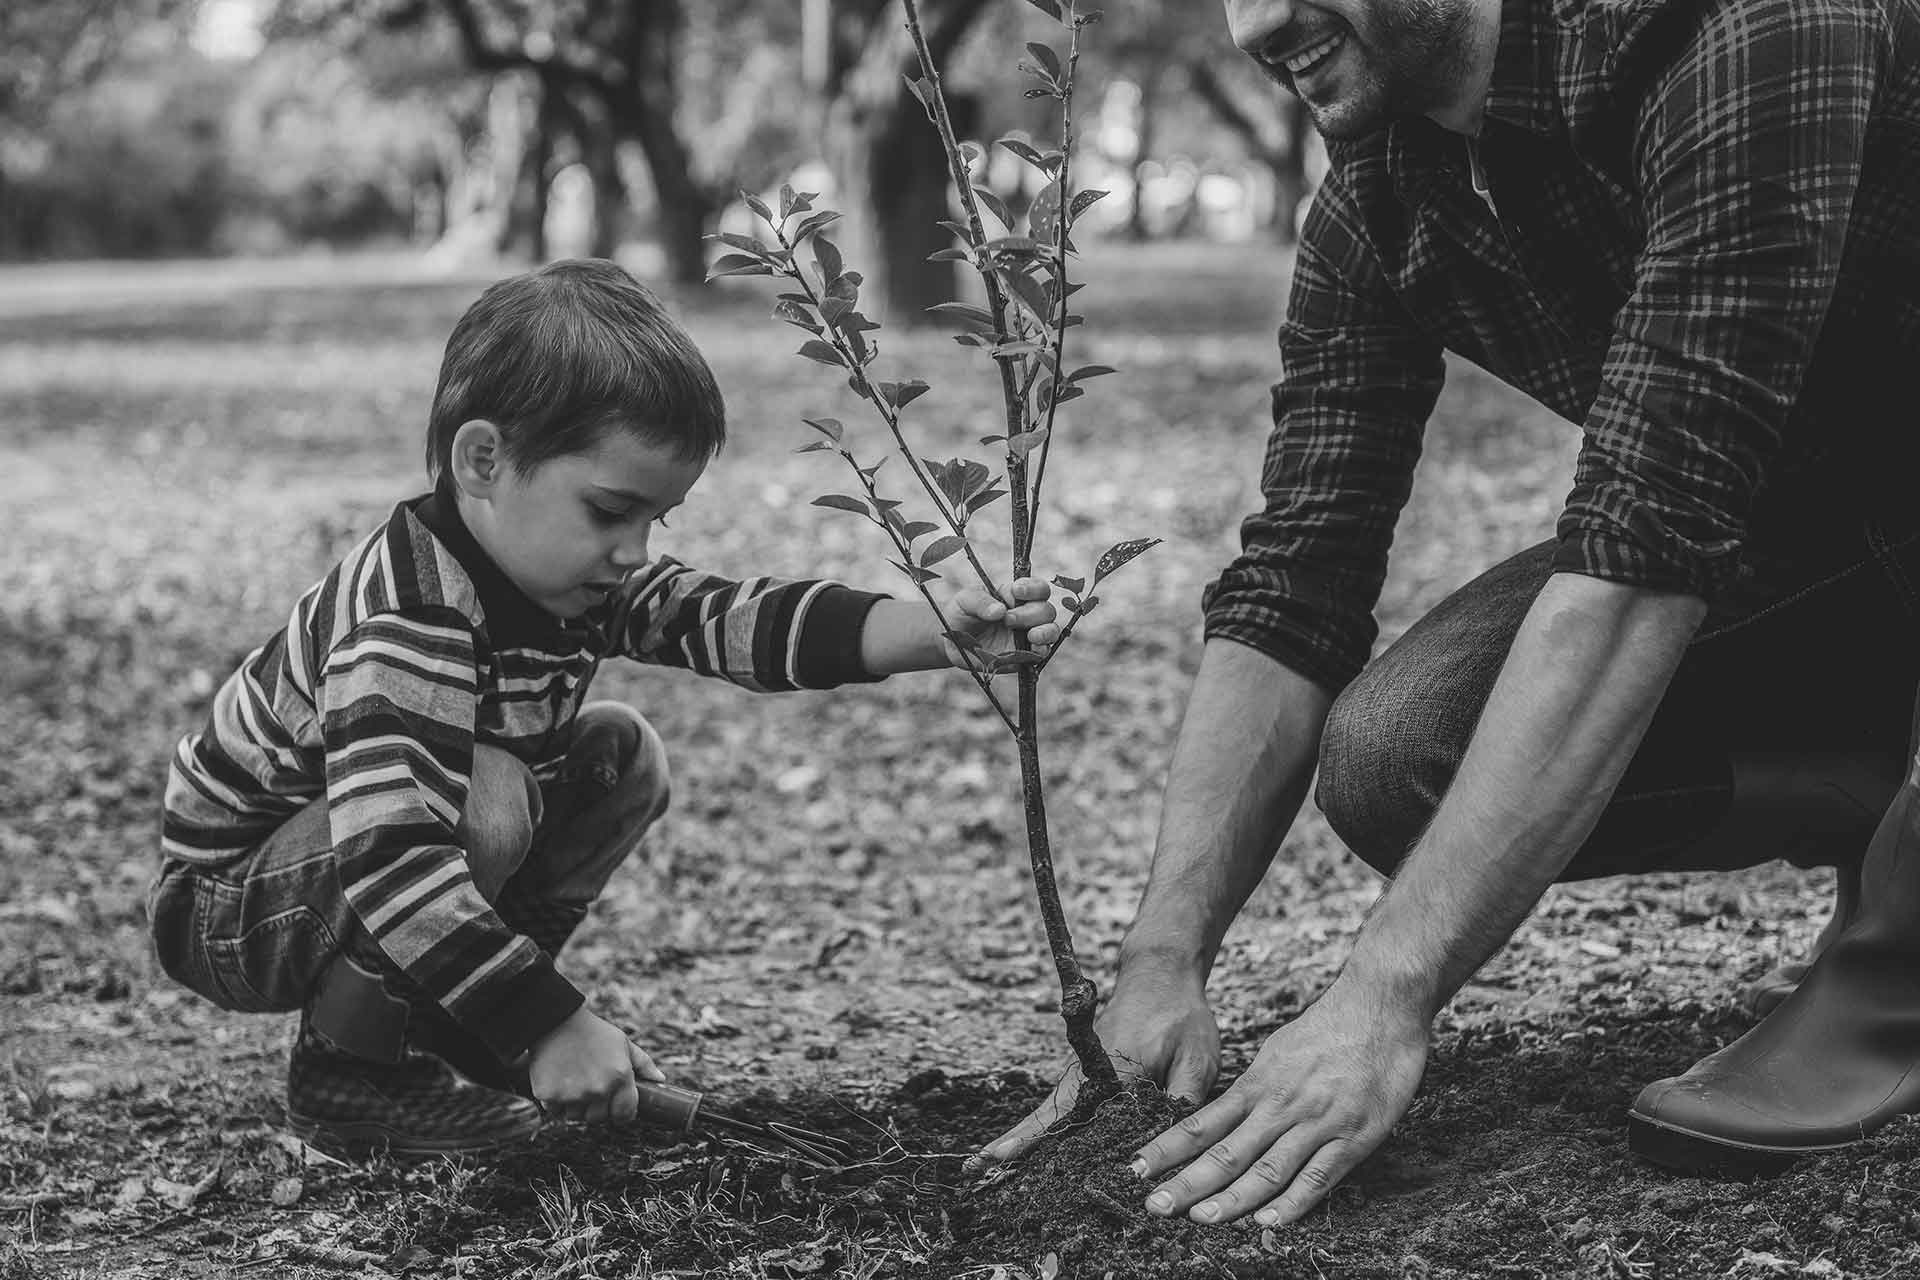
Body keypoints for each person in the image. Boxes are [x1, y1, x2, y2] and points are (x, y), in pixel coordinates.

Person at [973, 0, 1920, 1228]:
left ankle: (1899, 957)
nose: (1255, 22)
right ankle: (1877, 808)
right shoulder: (1386, 194)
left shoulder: (1752, 26)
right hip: (1831, 541)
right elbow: (1296, 578)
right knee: (1399, 753)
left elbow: (1647, 545)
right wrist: (1163, 959)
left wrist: (1381, 999)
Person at [148, 258, 1058, 1156]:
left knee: (618, 755)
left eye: (653, 521)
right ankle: (353, 1072)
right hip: (233, 905)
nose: (633, 551)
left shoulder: (567, 576)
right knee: (488, 794)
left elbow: (728, 618)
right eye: (609, 511)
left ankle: (458, 1012)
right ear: (483, 460)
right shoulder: (409, 618)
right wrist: (553, 1027)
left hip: (348, 871)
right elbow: (391, 858)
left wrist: (934, 630)